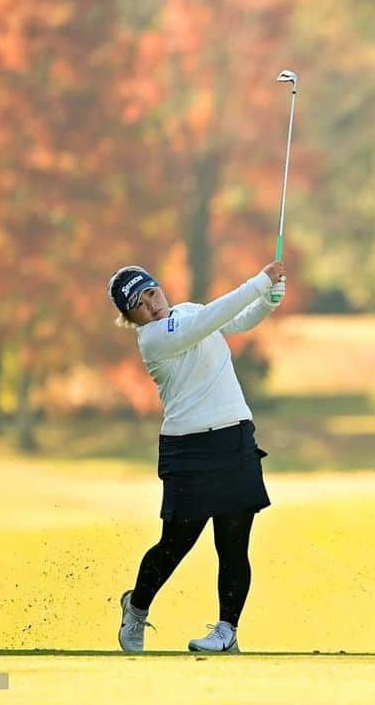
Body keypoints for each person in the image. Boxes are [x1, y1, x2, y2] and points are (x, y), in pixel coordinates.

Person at [107, 261, 286, 654]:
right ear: (131, 318)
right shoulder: (154, 338)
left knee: (234, 543)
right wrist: (258, 282)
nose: (151, 305)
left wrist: (267, 302)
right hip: (188, 448)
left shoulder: (187, 312)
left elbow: (233, 322)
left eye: (151, 293)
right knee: (176, 543)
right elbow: (210, 320)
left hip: (234, 438)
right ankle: (135, 608)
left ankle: (227, 631)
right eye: (138, 305)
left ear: (159, 288)